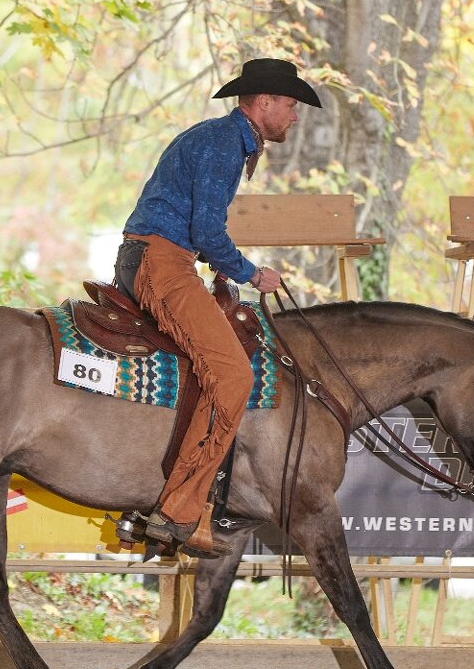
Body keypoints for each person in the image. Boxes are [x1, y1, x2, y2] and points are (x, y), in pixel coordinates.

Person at [114, 58, 322, 555]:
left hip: (161, 256)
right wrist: (252, 273)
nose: (294, 117)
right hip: (162, 263)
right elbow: (208, 231)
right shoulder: (226, 143)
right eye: (291, 105)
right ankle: (178, 512)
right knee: (234, 377)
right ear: (264, 102)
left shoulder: (220, 138)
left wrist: (226, 267)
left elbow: (202, 232)